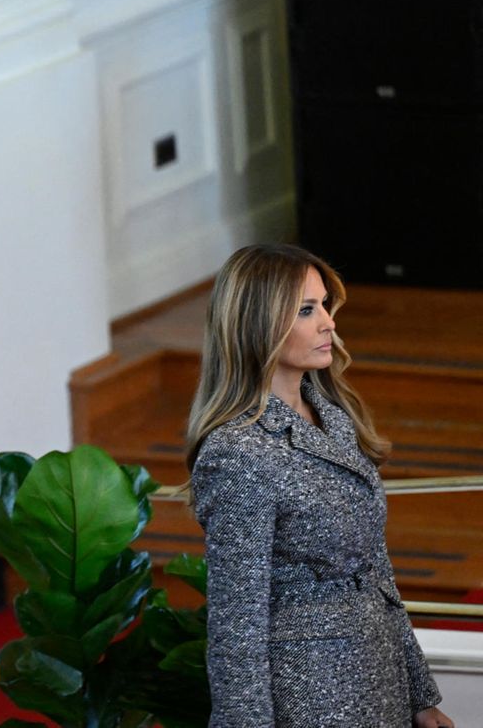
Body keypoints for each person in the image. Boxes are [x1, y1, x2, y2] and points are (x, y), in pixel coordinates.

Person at [185, 243, 452, 728]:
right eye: (307, 310)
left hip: (379, 676)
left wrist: (420, 695)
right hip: (311, 697)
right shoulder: (237, 453)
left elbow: (377, 569)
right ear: (256, 324)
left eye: (325, 304)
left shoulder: (331, 415)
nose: (329, 321)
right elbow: (236, 624)